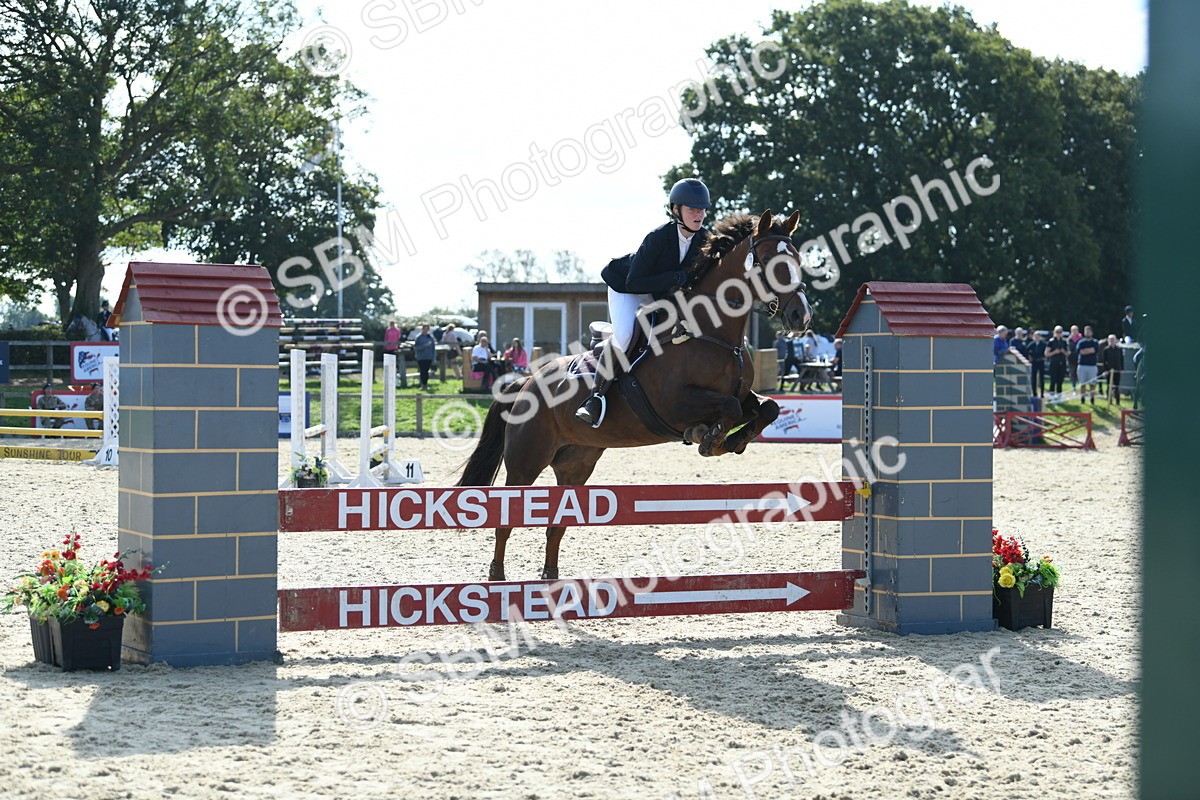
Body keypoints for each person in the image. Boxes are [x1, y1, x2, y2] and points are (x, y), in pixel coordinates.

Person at [576, 177, 712, 427]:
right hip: (627, 286)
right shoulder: (658, 237)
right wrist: (674, 278)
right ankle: (594, 398)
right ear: (676, 210)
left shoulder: (704, 240)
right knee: (626, 335)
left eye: (702, 209)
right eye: (692, 209)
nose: (698, 214)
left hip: (660, 292)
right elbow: (634, 283)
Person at [1074, 325, 1099, 404]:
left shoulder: (1095, 342)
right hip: (1082, 365)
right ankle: (1082, 398)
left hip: (1092, 366)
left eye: (1088, 331)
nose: (1087, 332)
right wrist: (1089, 350)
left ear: (1091, 332)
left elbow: (1094, 350)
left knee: (1092, 384)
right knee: (1082, 384)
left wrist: (1086, 350)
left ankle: (1092, 399)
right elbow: (1080, 351)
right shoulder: (1081, 342)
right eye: (1086, 331)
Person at [1045, 326, 1070, 400]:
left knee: (1060, 380)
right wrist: (1054, 352)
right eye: (1057, 332)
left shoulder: (1064, 342)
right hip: (1053, 363)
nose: (1059, 333)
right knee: (1053, 380)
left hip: (1062, 363)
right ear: (1054, 332)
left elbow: (1068, 354)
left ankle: (1059, 397)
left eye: (1060, 332)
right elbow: (1046, 354)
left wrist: (1063, 351)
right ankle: (1052, 396)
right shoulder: (1051, 341)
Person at [1100, 333, 1124, 405]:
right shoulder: (1106, 350)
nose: (1112, 341)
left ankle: (1118, 401)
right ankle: (1109, 400)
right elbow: (1104, 361)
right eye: (1110, 340)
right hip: (1109, 370)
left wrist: (1122, 369)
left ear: (1115, 340)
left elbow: (1121, 360)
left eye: (1113, 340)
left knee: (1117, 386)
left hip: (1117, 370)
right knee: (1109, 386)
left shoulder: (1119, 349)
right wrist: (1105, 370)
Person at [413, 323, 436, 391]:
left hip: (428, 356)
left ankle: (425, 384)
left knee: (426, 371)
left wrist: (433, 357)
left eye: (427, 329)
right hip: (421, 357)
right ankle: (423, 385)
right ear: (422, 329)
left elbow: (433, 348)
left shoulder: (430, 337)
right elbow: (416, 348)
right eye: (424, 329)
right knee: (422, 371)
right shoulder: (419, 337)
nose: (426, 330)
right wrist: (424, 346)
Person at [1029, 330, 1048, 398]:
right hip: (1034, 362)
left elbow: (1047, 351)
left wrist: (1045, 357)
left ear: (1040, 337)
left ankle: (1042, 393)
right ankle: (1034, 393)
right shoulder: (1032, 344)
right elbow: (1027, 351)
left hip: (1041, 362)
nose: (1037, 337)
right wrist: (1030, 357)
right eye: (1035, 336)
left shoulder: (1043, 344)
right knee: (1033, 378)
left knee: (1041, 378)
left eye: (1038, 336)